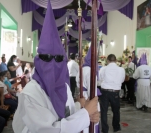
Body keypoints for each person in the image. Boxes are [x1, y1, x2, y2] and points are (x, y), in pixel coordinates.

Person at [12, 1, 99, 133]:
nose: (52, 64)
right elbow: (49, 130)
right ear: (38, 60)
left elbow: (66, 112)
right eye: (46, 57)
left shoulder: (64, 87)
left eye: (58, 58)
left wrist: (80, 107)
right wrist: (85, 114)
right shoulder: (31, 94)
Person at [76, 46, 101, 133]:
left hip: (82, 97)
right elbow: (92, 91)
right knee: (91, 122)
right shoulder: (90, 71)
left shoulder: (82, 69)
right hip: (88, 98)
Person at [99, 54, 125, 133]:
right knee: (116, 111)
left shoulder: (103, 69)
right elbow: (122, 80)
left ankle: (105, 129)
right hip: (115, 93)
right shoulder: (121, 70)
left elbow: (100, 79)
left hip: (104, 92)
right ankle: (116, 127)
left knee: (104, 111)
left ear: (107, 60)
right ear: (116, 60)